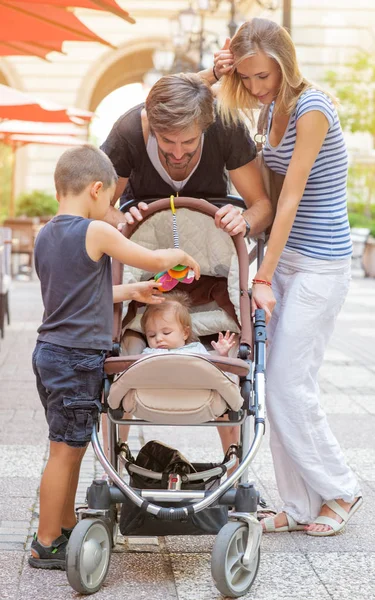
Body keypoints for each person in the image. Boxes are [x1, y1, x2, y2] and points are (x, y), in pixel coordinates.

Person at [210, 17, 362, 536]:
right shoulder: (268, 110)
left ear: (284, 63)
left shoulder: (312, 108)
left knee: (289, 386)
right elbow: (189, 109)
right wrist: (214, 76)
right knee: (274, 382)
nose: (255, 87)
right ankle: (298, 504)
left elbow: (289, 199)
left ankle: (339, 486)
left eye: (264, 76)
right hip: (289, 257)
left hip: (320, 263)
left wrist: (263, 276)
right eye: (247, 78)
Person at [30, 145, 200, 570]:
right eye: (109, 201)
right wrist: (179, 257)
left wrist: (133, 293)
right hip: (77, 358)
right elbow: (151, 259)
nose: (109, 209)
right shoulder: (95, 232)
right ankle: (45, 540)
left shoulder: (46, 234)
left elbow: (77, 297)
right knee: (64, 452)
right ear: (96, 189)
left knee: (69, 445)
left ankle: (64, 524)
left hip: (50, 352)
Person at [100, 72, 272, 238]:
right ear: (151, 125)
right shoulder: (128, 132)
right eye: (167, 140)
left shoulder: (226, 125)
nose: (178, 154)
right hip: (142, 250)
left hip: (211, 245)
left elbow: (262, 206)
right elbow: (96, 206)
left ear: (206, 127)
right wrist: (128, 226)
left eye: (189, 142)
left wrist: (243, 223)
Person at [140, 290, 236, 357]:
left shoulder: (196, 350)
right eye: (151, 336)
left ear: (185, 333)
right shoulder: (148, 353)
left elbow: (216, 374)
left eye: (166, 333)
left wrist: (223, 355)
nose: (158, 339)